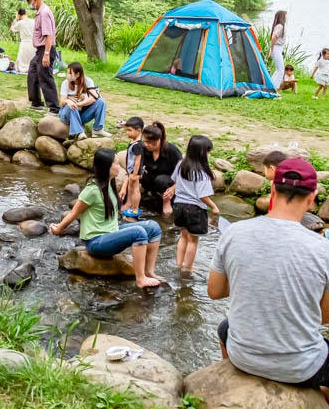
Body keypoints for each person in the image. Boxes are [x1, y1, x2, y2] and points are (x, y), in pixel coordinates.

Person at [208, 157, 329, 408]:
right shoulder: (326, 250)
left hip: (242, 355)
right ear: (312, 199)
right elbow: (322, 318)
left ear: (273, 190)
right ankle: (312, 407)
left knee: (225, 327)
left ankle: (238, 381)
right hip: (299, 367)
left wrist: (253, 277)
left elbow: (214, 292)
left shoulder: (235, 232)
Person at [49, 148, 162, 288]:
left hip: (110, 233)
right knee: (139, 232)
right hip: (96, 242)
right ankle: (140, 279)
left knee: (154, 227)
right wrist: (58, 229)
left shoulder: (110, 183)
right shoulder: (92, 190)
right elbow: (74, 213)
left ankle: (149, 272)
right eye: (115, 163)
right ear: (106, 167)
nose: (119, 166)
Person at [163, 135, 219, 276]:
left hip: (179, 206)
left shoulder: (181, 164)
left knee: (183, 236)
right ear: (202, 153)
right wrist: (214, 207)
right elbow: (202, 196)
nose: (209, 154)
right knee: (193, 241)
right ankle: (188, 268)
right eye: (208, 151)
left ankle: (179, 264)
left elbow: (174, 180)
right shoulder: (202, 173)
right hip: (194, 209)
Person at [22, 0, 60, 113]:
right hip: (40, 50)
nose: (28, 4)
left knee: (45, 77)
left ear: (35, 0)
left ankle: (54, 108)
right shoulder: (39, 12)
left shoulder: (44, 13)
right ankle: (36, 102)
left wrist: (47, 54)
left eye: (29, 1)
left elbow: (49, 35)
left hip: (46, 49)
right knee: (32, 72)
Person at [139, 121, 182, 216]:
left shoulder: (172, 151)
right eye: (144, 141)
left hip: (168, 181)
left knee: (161, 180)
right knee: (141, 175)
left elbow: (182, 172)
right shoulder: (144, 149)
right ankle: (153, 194)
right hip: (152, 178)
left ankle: (166, 200)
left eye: (150, 142)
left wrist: (173, 188)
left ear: (159, 140)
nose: (146, 145)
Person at [58, 62, 109, 140]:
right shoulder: (65, 83)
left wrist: (79, 104)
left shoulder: (88, 81)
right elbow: (62, 101)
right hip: (67, 114)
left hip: (81, 114)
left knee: (101, 102)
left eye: (70, 73)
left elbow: (94, 97)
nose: (67, 75)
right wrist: (69, 101)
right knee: (71, 105)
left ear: (77, 74)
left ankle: (97, 129)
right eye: (67, 73)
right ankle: (79, 132)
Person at [119, 117, 145, 219]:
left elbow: (138, 161)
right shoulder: (132, 143)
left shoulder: (138, 145)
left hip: (135, 172)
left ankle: (135, 208)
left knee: (135, 190)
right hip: (130, 170)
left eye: (130, 130)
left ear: (138, 131)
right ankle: (132, 207)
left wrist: (134, 174)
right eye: (126, 130)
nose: (127, 133)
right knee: (131, 188)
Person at [11, 8, 36, 73]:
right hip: (33, 43)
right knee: (31, 57)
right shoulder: (33, 21)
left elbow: (12, 28)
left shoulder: (20, 23)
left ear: (19, 15)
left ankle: (23, 69)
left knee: (22, 58)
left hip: (24, 43)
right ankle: (31, 68)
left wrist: (16, 19)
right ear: (26, 13)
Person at [269, 10, 287, 86]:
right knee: (281, 71)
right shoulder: (280, 27)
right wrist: (271, 49)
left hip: (278, 48)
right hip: (277, 48)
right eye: (285, 16)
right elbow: (273, 38)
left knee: (278, 70)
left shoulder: (278, 26)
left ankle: (271, 86)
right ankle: (274, 88)